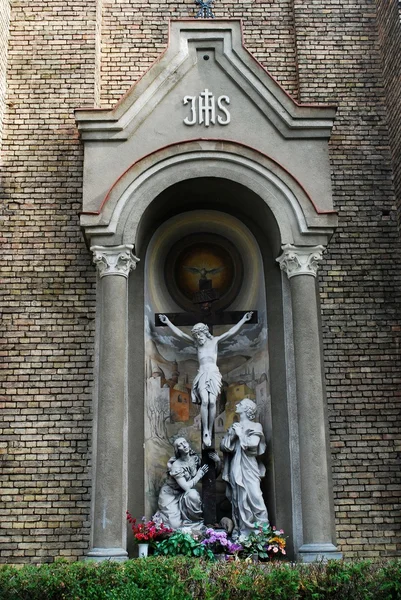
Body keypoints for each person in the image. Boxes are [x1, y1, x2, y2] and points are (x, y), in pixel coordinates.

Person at [159, 312, 253, 447]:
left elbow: (231, 332)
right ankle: (206, 432)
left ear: (205, 333)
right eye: (196, 336)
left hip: (213, 374)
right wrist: (167, 322)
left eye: (200, 335)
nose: (198, 338)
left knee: (212, 402)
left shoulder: (214, 341)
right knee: (205, 401)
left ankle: (210, 426)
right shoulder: (197, 344)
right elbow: (180, 334)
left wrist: (244, 319)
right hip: (202, 374)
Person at [220, 398, 269, 537]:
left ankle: (261, 531)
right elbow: (225, 447)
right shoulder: (234, 427)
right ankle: (242, 530)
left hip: (249, 466)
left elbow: (253, 445)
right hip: (236, 465)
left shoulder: (256, 426)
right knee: (238, 498)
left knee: (255, 496)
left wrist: (241, 434)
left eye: (240, 404)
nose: (236, 405)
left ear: (247, 409)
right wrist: (233, 436)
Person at [154, 437, 218, 530]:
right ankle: (160, 518)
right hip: (170, 495)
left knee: (193, 494)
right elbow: (187, 487)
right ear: (177, 450)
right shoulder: (176, 466)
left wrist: (218, 462)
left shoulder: (195, 459)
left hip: (183, 494)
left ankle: (193, 523)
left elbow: (211, 478)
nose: (184, 445)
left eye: (185, 442)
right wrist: (198, 475)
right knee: (174, 526)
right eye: (180, 445)